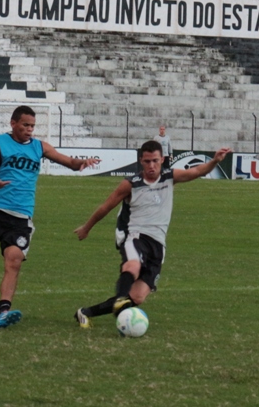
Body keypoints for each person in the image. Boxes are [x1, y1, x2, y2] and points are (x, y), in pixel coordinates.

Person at [0, 105, 98, 328]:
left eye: (32, 126)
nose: (29, 130)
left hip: (21, 217)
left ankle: (3, 311)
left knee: (14, 261)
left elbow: (69, 162)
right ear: (13, 123)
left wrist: (82, 163)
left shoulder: (39, 147)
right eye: (25, 125)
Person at [72, 141, 231, 329]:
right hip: (133, 234)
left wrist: (214, 161)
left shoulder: (169, 177)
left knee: (138, 296)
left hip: (158, 243)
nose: (151, 166)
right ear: (141, 161)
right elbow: (106, 207)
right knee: (133, 265)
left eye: (155, 161)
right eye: (147, 161)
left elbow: (197, 172)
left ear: (162, 159)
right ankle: (121, 298)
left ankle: (85, 312)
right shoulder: (131, 184)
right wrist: (87, 228)